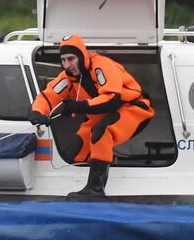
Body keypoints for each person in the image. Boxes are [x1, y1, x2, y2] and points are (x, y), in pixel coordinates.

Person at [28, 34, 154, 198]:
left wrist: (79, 106)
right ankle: (99, 169)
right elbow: (49, 95)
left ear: (81, 55)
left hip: (134, 107)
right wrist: (37, 112)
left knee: (101, 132)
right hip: (103, 112)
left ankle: (95, 189)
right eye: (63, 60)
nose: (67, 65)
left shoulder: (102, 66)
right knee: (77, 150)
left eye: (71, 59)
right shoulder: (68, 77)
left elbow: (112, 99)